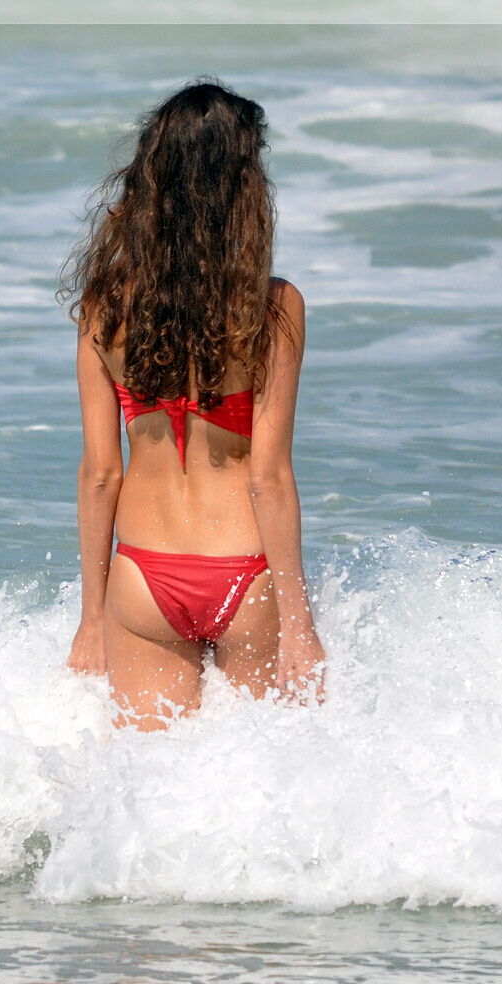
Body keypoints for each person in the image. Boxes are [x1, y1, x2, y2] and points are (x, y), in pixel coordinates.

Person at [59, 80, 325, 731]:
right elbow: (268, 477)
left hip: (143, 579)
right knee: (258, 789)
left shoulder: (103, 307)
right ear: (240, 186)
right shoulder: (272, 308)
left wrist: (93, 619)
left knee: (146, 794)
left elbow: (100, 473)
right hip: (245, 575)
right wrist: (299, 626)